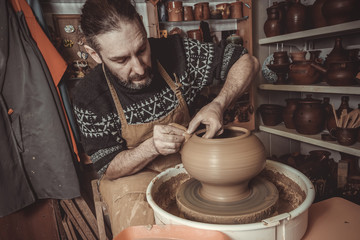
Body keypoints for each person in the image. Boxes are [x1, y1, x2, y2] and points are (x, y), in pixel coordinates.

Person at [71, 0, 259, 236]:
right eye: (121, 60)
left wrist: (218, 104)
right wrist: (151, 147)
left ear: (142, 26)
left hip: (189, 162)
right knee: (141, 227)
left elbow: (246, 61)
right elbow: (108, 167)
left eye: (142, 49)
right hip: (131, 177)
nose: (139, 68)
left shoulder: (177, 51)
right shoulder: (88, 96)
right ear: (94, 54)